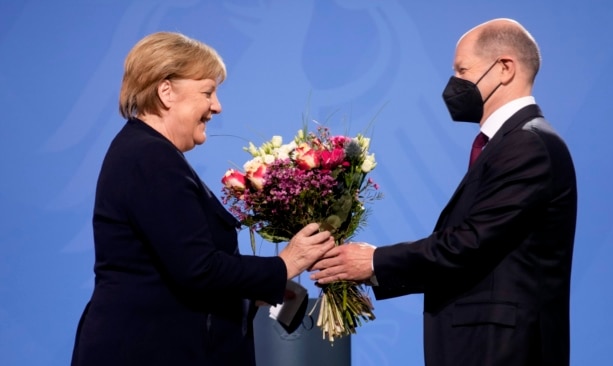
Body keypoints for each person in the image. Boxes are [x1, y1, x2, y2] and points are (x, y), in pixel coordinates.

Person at [311, 18, 577, 366]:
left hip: (502, 350)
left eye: (462, 70)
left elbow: (470, 243)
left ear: (505, 69)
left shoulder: (528, 145)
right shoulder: (510, 143)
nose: (454, 84)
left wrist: (374, 261)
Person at [70, 32, 335, 366]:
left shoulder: (149, 153)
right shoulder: (149, 157)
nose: (217, 106)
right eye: (207, 92)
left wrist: (253, 292)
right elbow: (198, 269)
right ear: (166, 92)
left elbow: (178, 267)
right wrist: (285, 264)